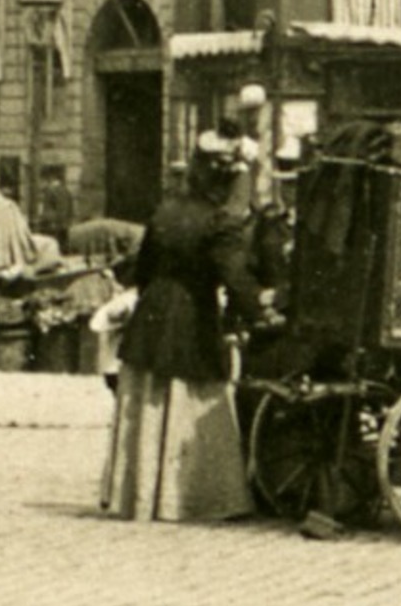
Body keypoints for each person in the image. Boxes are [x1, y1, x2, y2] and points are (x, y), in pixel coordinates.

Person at [102, 130, 281, 522]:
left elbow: (143, 269)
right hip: (190, 319)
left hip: (151, 316)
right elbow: (233, 275)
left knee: (145, 405)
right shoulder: (219, 223)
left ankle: (139, 496)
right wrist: (261, 309)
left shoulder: (165, 210)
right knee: (192, 402)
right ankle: (183, 498)